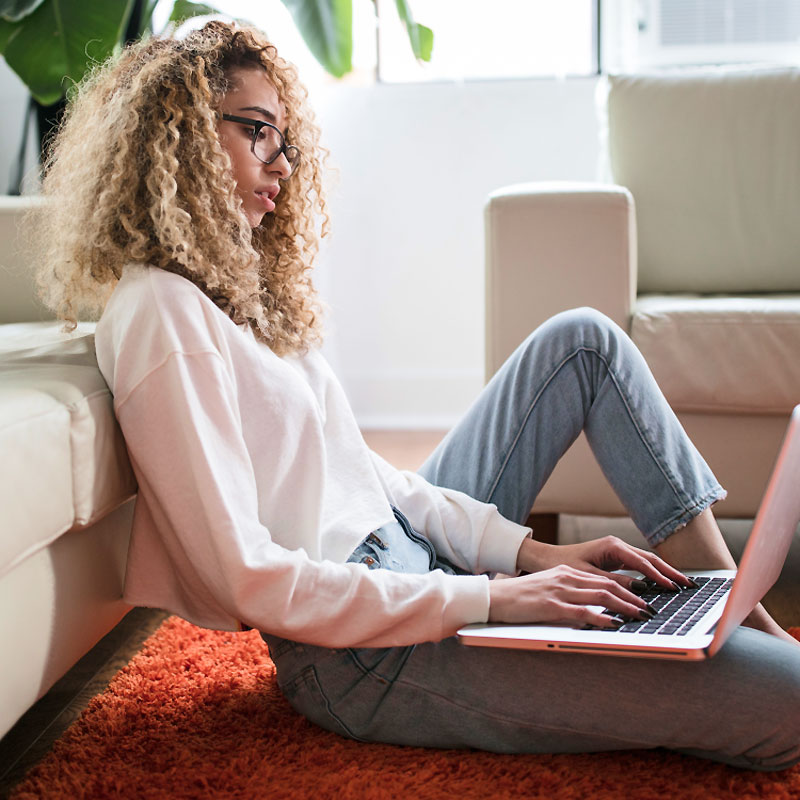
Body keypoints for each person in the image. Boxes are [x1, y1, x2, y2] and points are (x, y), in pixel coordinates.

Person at [33, 21, 800, 771]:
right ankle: (723, 649)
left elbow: (371, 479)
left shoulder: (241, 295)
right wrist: (494, 601)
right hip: (365, 657)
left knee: (582, 341)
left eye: (286, 140)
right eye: (258, 131)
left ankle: (726, 604)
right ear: (184, 133)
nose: (284, 164)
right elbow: (248, 577)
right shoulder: (160, 313)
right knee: (788, 705)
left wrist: (528, 554)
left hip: (413, 565)